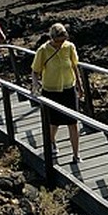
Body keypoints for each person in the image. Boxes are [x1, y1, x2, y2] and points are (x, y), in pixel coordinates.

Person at [31, 23, 85, 164]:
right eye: (58, 41)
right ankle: (52, 142)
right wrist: (35, 84)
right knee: (53, 123)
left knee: (73, 122)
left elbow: (75, 67)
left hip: (68, 88)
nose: (61, 43)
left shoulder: (69, 47)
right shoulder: (43, 50)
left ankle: (76, 154)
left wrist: (80, 86)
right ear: (52, 38)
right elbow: (35, 70)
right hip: (51, 90)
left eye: (63, 40)